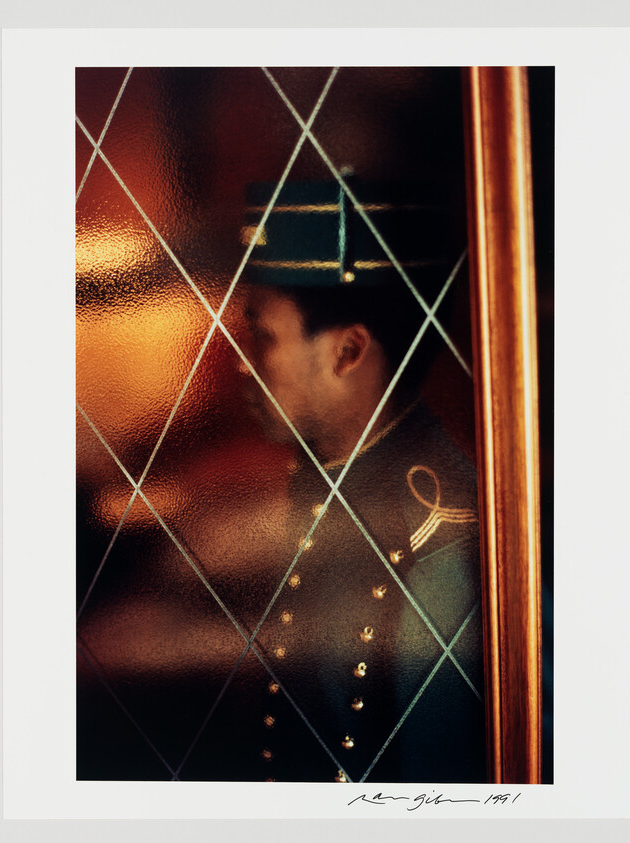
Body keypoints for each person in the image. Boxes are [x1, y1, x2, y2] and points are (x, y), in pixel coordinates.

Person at [182, 177, 486, 783]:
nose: (242, 361)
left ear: (348, 352)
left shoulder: (437, 534)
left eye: (262, 334)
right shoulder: (326, 475)